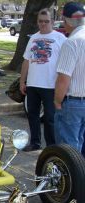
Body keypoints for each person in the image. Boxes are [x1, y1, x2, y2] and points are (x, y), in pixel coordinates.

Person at [20, 8, 67, 152]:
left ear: (52, 22)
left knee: (50, 119)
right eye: (40, 21)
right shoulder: (33, 38)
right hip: (33, 84)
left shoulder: (61, 39)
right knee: (32, 115)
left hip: (50, 85)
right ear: (37, 22)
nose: (43, 24)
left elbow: (66, 63)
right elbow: (26, 61)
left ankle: (51, 146)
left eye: (46, 21)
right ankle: (35, 142)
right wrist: (22, 81)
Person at [54, 2, 85, 153]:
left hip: (73, 103)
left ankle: (72, 177)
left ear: (67, 21)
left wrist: (57, 101)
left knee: (69, 151)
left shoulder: (72, 42)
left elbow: (63, 78)